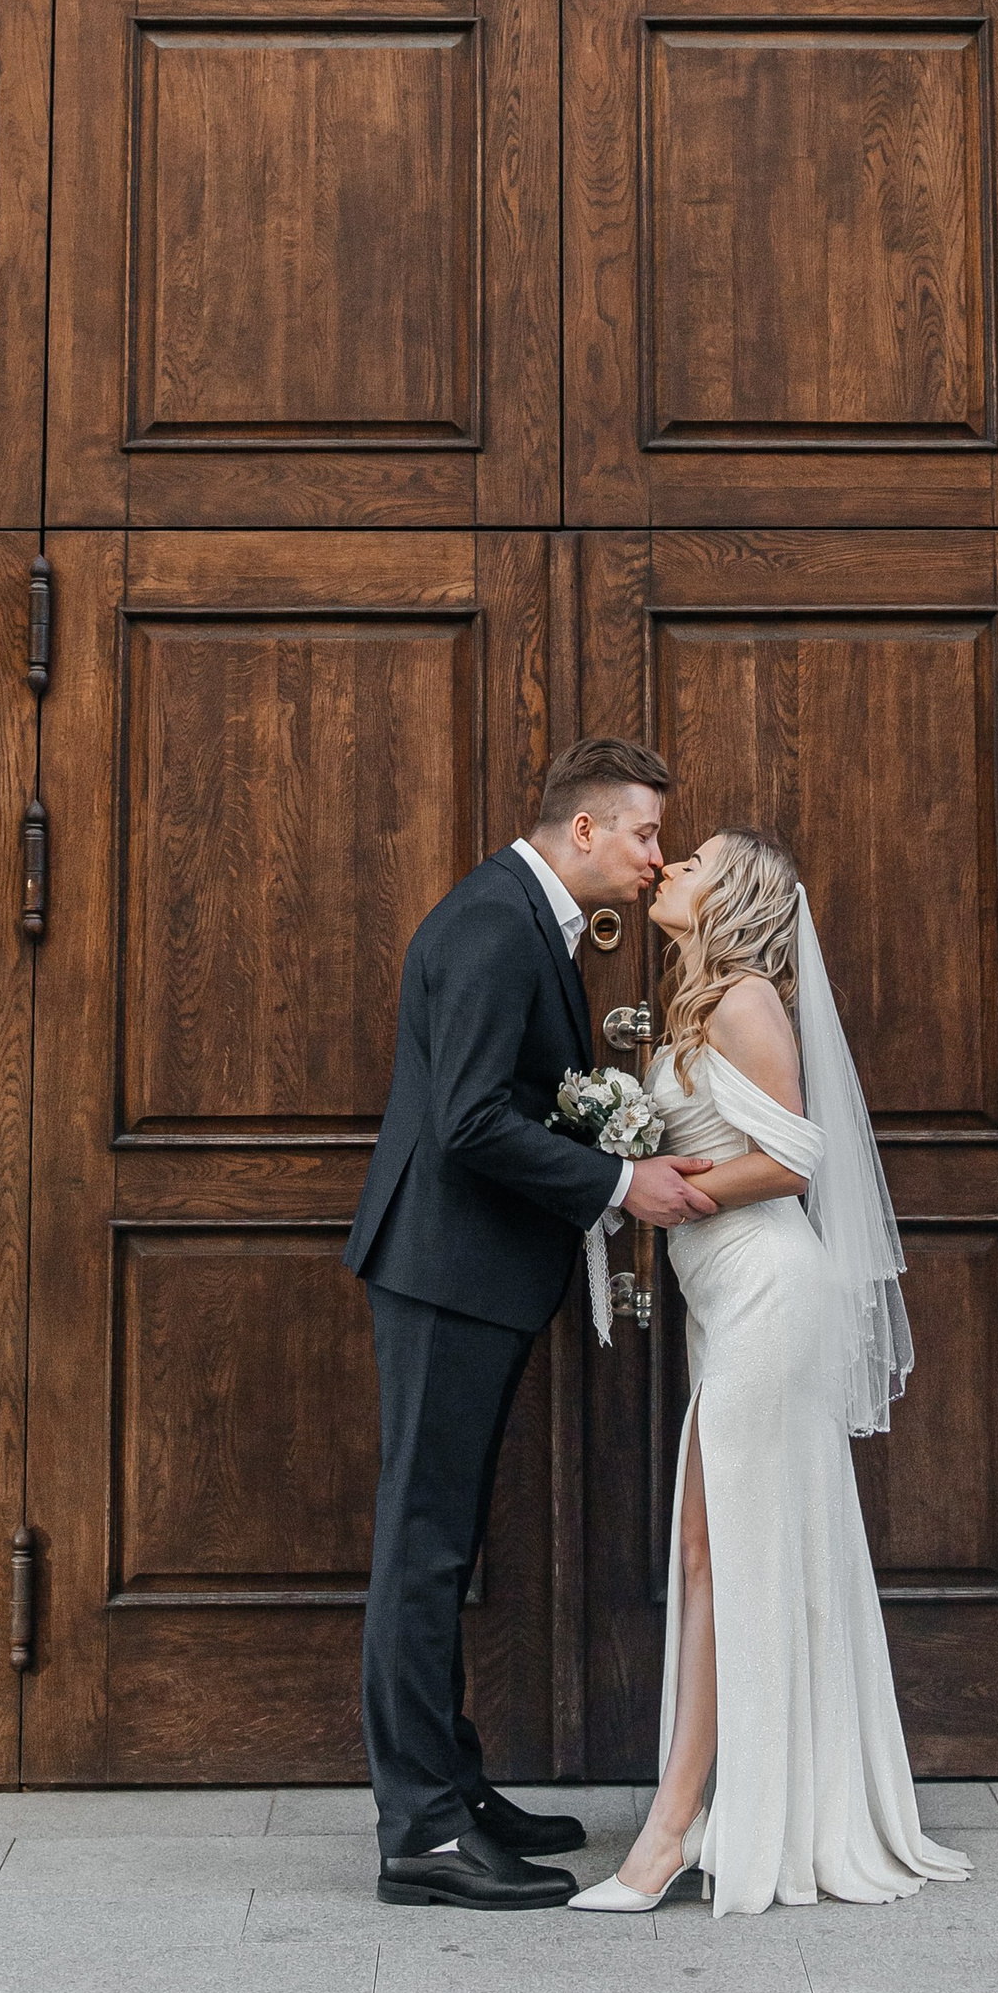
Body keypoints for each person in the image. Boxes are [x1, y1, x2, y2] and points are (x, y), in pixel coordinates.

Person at [346, 736, 720, 1911]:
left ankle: (453, 1783)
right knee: (424, 1545)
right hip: (447, 1271)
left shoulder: (519, 913)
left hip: (472, 1273)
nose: (658, 855)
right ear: (584, 831)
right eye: (648, 833)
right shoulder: (495, 922)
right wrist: (617, 1184)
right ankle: (421, 1827)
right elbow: (463, 1121)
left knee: (442, 1539)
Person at [570, 826, 970, 1918]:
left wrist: (672, 1187)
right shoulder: (700, 1000)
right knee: (719, 1549)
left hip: (767, 1292)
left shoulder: (746, 998)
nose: (670, 868)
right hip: (726, 1298)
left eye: (690, 860)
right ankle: (731, 1802)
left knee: (715, 1551)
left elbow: (795, 1157)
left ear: (732, 893)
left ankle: (669, 1831)